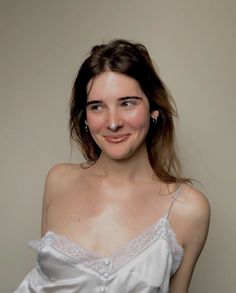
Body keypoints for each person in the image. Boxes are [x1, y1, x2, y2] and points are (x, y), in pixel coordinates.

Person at [15, 39, 210, 293]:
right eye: (97, 107)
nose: (113, 122)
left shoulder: (188, 209)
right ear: (84, 117)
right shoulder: (58, 181)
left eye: (127, 103)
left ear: (153, 108)